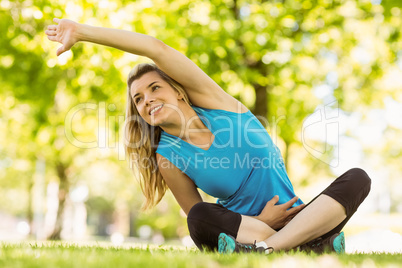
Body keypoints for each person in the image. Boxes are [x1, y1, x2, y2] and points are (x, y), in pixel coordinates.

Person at [45, 18, 371, 254]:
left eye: (154, 88)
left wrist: (83, 32)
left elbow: (155, 48)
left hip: (300, 218)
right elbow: (198, 217)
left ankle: (273, 248)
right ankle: (307, 247)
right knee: (200, 217)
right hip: (247, 227)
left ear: (180, 92)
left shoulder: (218, 104)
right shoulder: (167, 156)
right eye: (138, 99)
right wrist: (259, 219)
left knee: (357, 178)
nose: (147, 100)